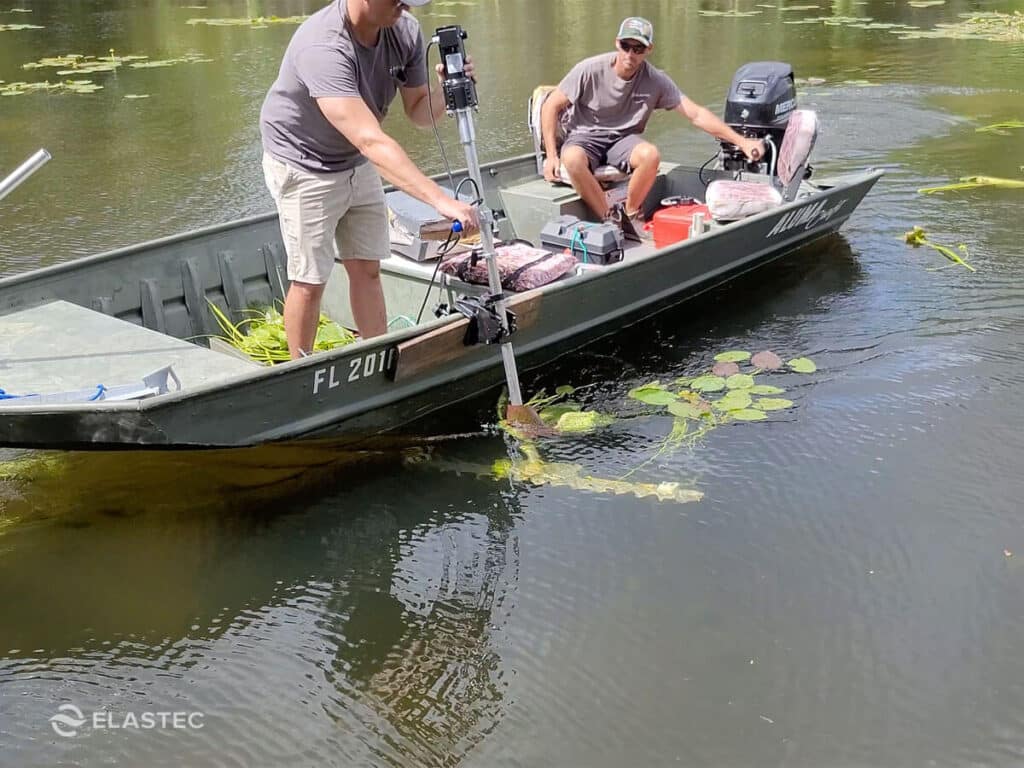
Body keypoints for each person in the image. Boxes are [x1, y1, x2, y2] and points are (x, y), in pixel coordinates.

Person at [259, 0, 479, 358]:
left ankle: (377, 357)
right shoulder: (323, 46)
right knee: (310, 280)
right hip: (304, 163)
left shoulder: (404, 29)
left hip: (356, 158)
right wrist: (441, 201)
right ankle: (300, 372)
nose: (406, 5)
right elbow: (370, 139)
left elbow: (419, 112)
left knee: (368, 267)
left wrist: (448, 92)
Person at [540, 16, 765, 238]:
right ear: (617, 43)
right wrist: (551, 155)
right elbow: (551, 106)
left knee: (651, 155)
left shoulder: (656, 80)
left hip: (622, 140)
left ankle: (630, 213)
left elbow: (695, 114)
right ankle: (610, 219)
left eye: (638, 48)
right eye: (626, 46)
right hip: (584, 136)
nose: (630, 54)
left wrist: (742, 142)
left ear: (649, 49)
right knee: (571, 160)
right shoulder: (589, 69)